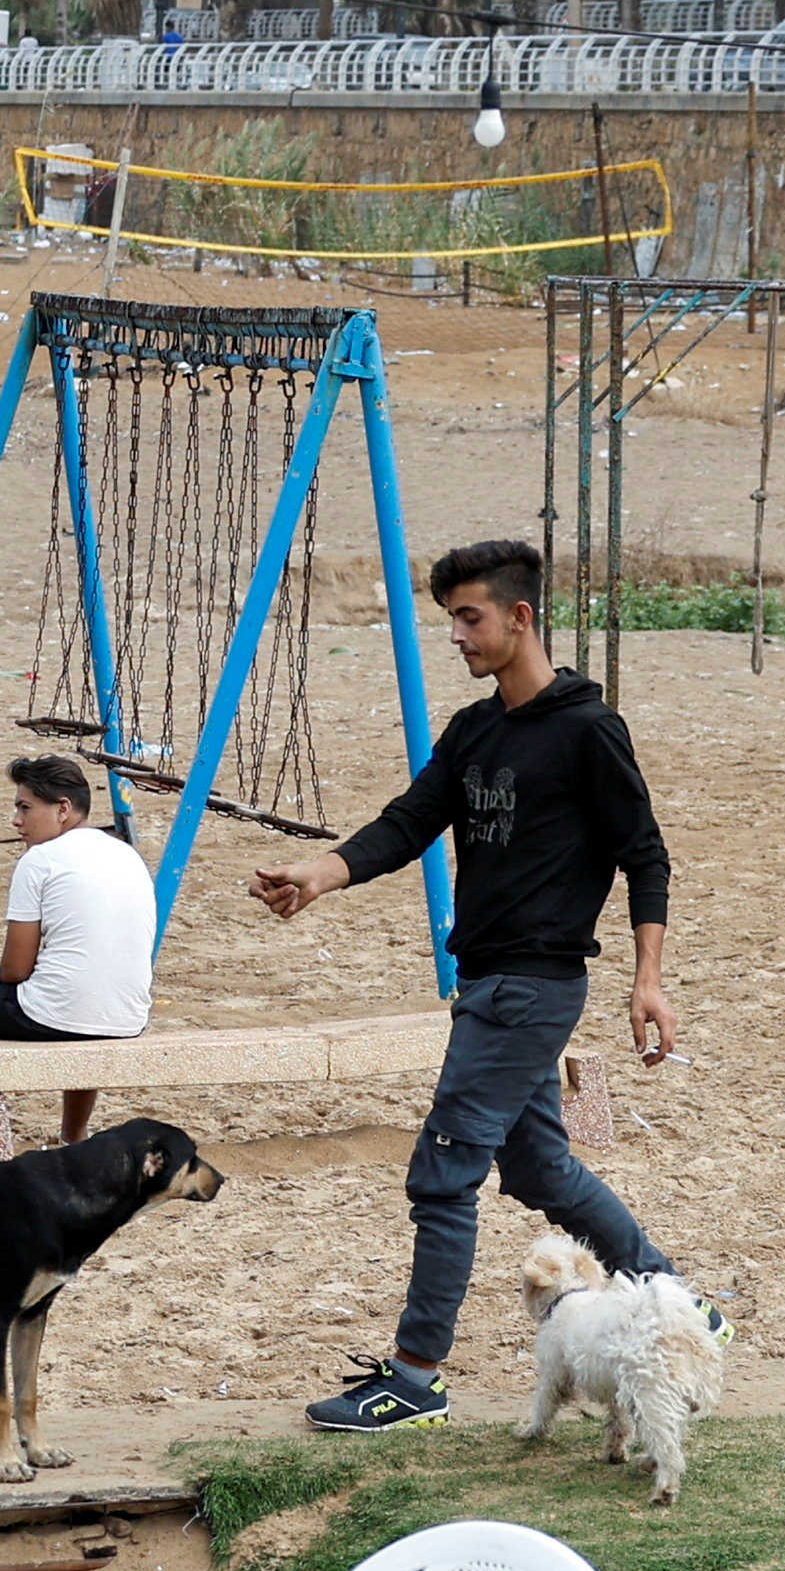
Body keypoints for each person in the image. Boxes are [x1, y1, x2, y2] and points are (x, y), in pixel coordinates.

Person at [250, 536, 678, 1431]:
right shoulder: (475, 729)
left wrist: (649, 981)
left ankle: (414, 1378)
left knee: (442, 1176)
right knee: (536, 1164)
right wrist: (323, 874)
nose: (457, 634)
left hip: (533, 986)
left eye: (469, 616)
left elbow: (646, 854)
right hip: (485, 981)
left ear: (520, 618)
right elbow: (412, 819)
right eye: (450, 617)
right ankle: (669, 1296)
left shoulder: (587, 730)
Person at [0, 753, 154, 1140]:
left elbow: (14, 971)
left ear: (62, 809)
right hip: (127, 1016)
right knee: (77, 1001)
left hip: (57, 1016)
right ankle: (72, 1137)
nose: (16, 821)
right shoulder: (127, 854)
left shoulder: (40, 859)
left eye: (25, 808)